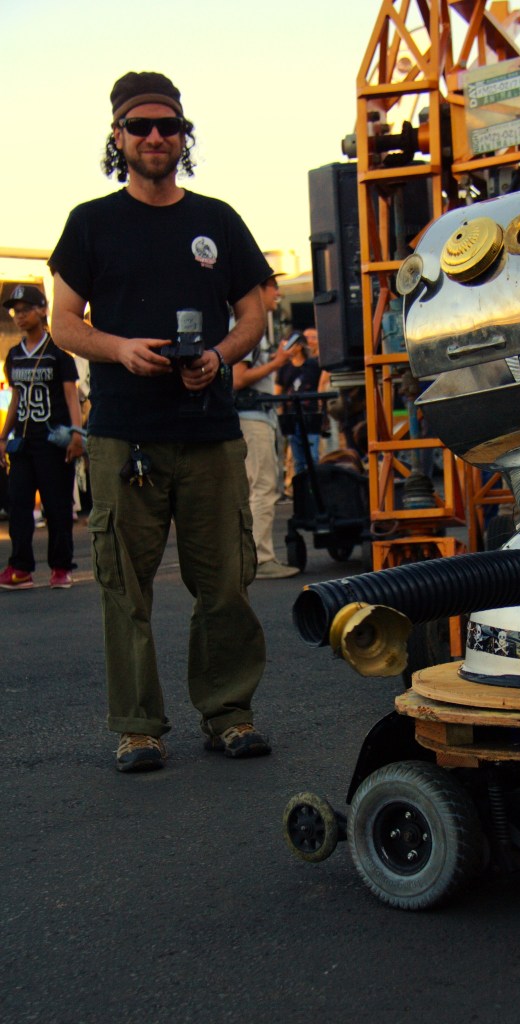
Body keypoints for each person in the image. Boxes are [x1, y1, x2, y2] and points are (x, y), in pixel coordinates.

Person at [49, 70, 274, 772]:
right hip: (124, 435)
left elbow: (254, 311)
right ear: (117, 136)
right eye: (140, 126)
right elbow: (63, 323)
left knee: (226, 582)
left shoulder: (218, 219)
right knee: (125, 587)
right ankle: (139, 727)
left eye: (168, 126)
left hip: (209, 431)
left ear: (184, 136)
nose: (155, 137)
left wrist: (218, 356)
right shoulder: (91, 222)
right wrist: (119, 348)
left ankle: (229, 713)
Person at [0, 285, 83, 590]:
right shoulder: (14, 355)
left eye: (26, 310)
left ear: (42, 311)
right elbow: (16, 399)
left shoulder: (57, 353)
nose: (20, 316)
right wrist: (3, 436)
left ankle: (61, 566)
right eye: (15, 311)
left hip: (52, 440)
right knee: (19, 504)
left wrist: (77, 434)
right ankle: (20, 567)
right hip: (23, 441)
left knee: (57, 504)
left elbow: (71, 395)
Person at [233, 274, 299, 578]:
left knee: (255, 488)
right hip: (253, 416)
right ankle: (261, 558)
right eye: (274, 287)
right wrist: (278, 362)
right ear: (259, 289)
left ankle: (252, 556)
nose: (278, 293)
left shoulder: (248, 326)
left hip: (254, 416)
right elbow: (238, 378)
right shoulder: (249, 327)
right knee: (262, 487)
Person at [276, 333, 322, 477]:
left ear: (299, 346)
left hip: (311, 414)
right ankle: (302, 485)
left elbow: (321, 385)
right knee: (298, 459)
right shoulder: (284, 368)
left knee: (313, 456)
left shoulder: (313, 365)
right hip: (291, 415)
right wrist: (280, 414)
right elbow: (278, 390)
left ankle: (314, 484)